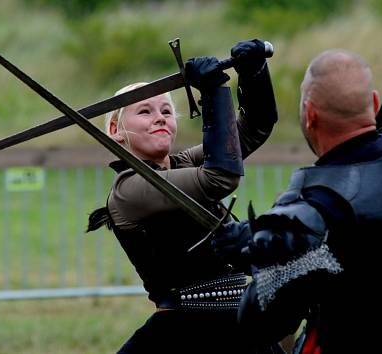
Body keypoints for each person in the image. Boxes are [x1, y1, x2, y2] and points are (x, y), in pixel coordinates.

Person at [211, 48, 382, 354]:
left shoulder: (314, 209)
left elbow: (258, 324)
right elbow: (371, 245)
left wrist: (262, 255)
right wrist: (270, 241)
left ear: (310, 115)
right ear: (375, 103)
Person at [87, 39, 282, 353]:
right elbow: (220, 177)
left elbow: (254, 128)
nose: (160, 117)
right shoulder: (128, 190)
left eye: (166, 110)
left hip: (238, 321)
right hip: (184, 333)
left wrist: (254, 72)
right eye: (145, 111)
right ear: (115, 130)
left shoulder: (185, 163)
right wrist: (215, 91)